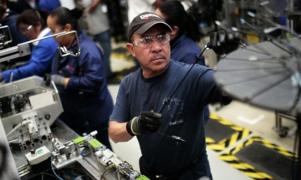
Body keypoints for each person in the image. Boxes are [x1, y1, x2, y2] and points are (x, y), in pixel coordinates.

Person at [109, 12, 229, 179]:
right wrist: (135, 125)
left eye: (162, 37)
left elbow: (230, 87)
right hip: (152, 173)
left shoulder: (192, 76)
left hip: (192, 174)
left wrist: (229, 60)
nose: (157, 47)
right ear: (131, 49)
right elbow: (114, 133)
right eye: (146, 40)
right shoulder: (128, 84)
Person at [47, 7, 114, 149]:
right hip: (76, 112)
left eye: (53, 30)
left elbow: (93, 81)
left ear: (67, 28)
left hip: (93, 114)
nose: (51, 35)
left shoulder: (88, 50)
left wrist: (64, 81)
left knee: (101, 149)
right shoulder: (64, 47)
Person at [0, 9, 57, 82]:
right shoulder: (41, 40)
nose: (23, 33)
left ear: (38, 25)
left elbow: (35, 68)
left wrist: (4, 75)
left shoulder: (45, 43)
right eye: (21, 31)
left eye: (25, 29)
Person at [155, 0, 204, 65]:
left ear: (173, 30)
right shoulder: (166, 44)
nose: (151, 25)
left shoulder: (189, 56)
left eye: (157, 23)